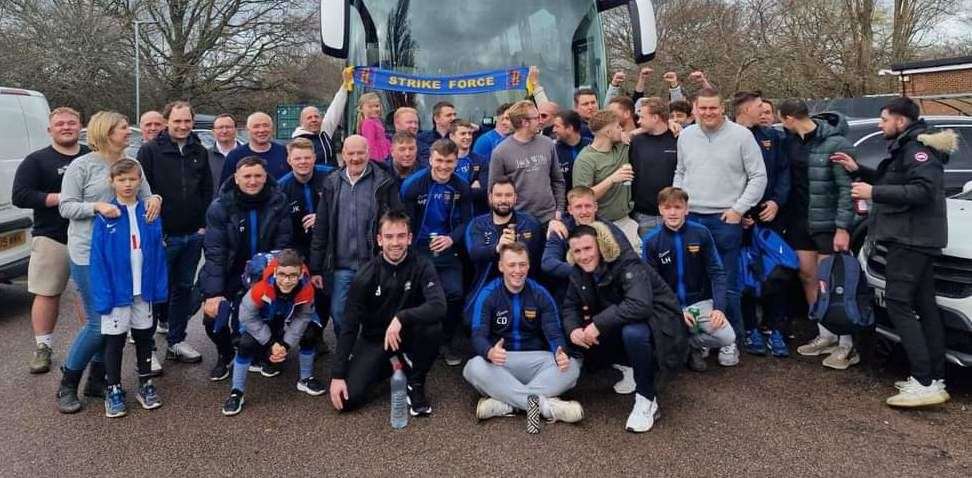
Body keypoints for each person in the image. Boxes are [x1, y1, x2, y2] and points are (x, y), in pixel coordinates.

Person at [831, 97, 955, 407]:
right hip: (912, 237)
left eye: (884, 119)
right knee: (925, 306)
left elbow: (923, 191)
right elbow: (898, 180)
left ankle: (924, 381)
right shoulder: (908, 145)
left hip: (911, 239)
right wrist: (858, 169)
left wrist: (873, 192)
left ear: (900, 121)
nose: (879, 123)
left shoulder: (918, 150)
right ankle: (934, 378)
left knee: (900, 303)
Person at [56, 111, 161, 414]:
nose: (130, 132)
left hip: (125, 259)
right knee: (99, 324)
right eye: (123, 128)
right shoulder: (82, 165)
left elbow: (146, 196)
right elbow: (66, 206)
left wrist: (157, 200)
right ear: (106, 132)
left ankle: (97, 381)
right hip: (90, 254)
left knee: (115, 323)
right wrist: (97, 206)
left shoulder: (134, 164)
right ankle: (67, 384)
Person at [673, 88, 767, 362]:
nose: (708, 113)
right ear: (694, 108)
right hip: (691, 218)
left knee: (726, 284)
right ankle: (704, 339)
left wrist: (739, 209)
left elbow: (758, 177)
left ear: (722, 107)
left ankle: (730, 340)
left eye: (713, 108)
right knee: (696, 283)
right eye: (703, 108)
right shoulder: (687, 135)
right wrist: (679, 204)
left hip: (724, 220)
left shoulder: (741, 136)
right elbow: (681, 171)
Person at [562, 224, 683, 433]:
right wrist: (574, 330)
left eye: (588, 248)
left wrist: (598, 324)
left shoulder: (628, 263)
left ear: (600, 246)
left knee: (632, 332)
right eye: (577, 251)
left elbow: (640, 305)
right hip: (626, 319)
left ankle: (647, 398)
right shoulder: (578, 272)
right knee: (591, 330)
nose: (583, 256)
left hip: (663, 326)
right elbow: (569, 306)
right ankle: (632, 367)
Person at [329, 211, 446, 415]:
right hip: (375, 339)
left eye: (401, 236)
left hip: (409, 334)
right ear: (379, 240)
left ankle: (415, 383)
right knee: (346, 401)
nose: (395, 243)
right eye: (389, 237)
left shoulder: (422, 265)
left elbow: (439, 305)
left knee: (433, 327)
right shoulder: (365, 275)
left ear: (409, 238)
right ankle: (394, 363)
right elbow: (349, 325)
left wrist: (401, 318)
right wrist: (337, 375)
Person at [777, 99, 857, 369]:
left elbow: (847, 190)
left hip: (828, 223)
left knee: (833, 282)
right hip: (800, 221)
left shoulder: (836, 143)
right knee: (808, 276)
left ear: (788, 118)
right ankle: (825, 334)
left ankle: (846, 343)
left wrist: (843, 227)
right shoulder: (791, 141)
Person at [463, 242, 582, 423]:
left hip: (535, 362)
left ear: (528, 265)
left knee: (572, 367)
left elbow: (554, 333)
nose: (518, 270)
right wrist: (490, 352)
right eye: (512, 265)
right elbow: (478, 334)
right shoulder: (488, 293)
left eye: (522, 264)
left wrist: (560, 352)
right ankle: (547, 407)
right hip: (501, 362)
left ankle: (506, 404)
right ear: (501, 266)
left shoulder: (540, 294)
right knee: (474, 367)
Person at [199, 156, 293, 381]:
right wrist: (213, 293)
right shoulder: (220, 206)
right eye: (247, 176)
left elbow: (283, 245)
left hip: (267, 272)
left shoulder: (278, 201)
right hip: (232, 271)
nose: (253, 181)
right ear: (236, 178)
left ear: (265, 177)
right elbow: (215, 252)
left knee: (272, 310)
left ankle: (267, 351)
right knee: (213, 316)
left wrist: (269, 276)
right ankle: (225, 354)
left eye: (258, 176)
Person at [12, 107, 90, 374]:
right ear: (50, 130)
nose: (66, 127)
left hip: (89, 237)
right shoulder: (37, 160)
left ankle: (89, 342)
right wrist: (59, 198)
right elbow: (20, 195)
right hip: (52, 237)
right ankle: (43, 347)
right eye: (60, 124)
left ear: (81, 126)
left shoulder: (92, 156)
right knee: (47, 293)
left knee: (87, 292)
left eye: (71, 122)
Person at [90, 159, 168, 417]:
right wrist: (103, 295)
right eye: (121, 179)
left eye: (132, 179)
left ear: (139, 181)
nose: (127, 184)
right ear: (112, 182)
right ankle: (113, 388)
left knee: (145, 337)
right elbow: (98, 259)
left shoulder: (150, 211)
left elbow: (157, 252)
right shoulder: (106, 215)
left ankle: (145, 383)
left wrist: (158, 286)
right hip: (117, 292)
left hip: (143, 291)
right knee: (115, 341)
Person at [137, 100, 212, 365]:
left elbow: (206, 191)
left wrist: (203, 225)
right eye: (177, 121)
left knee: (182, 289)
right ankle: (148, 351)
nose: (182, 126)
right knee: (155, 292)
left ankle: (176, 340)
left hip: (192, 235)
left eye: (187, 121)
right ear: (167, 121)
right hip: (162, 236)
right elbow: (141, 194)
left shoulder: (199, 151)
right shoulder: (149, 151)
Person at [309, 136, 401, 342]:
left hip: (374, 263)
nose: (356, 158)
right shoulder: (332, 183)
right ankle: (347, 347)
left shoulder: (384, 182)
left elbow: (398, 220)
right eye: (351, 153)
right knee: (339, 311)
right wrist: (316, 268)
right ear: (343, 154)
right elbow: (322, 227)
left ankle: (368, 351)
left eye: (360, 153)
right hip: (341, 266)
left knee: (375, 312)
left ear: (368, 153)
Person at [222, 249, 325, 416]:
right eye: (282, 275)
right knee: (246, 343)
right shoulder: (261, 287)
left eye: (292, 275)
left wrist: (285, 344)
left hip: (290, 313)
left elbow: (304, 317)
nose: (286, 280)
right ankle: (237, 392)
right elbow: (246, 316)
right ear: (275, 272)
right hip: (265, 315)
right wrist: (271, 343)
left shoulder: (306, 288)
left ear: (300, 274)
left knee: (311, 332)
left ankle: (305, 378)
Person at [642, 187, 735, 371]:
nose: (673, 212)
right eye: (667, 207)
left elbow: (717, 272)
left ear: (686, 209)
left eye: (678, 207)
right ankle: (680, 346)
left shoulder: (701, 233)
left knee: (727, 337)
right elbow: (650, 283)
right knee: (654, 344)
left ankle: (692, 344)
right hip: (669, 306)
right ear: (660, 210)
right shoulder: (651, 240)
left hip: (699, 303)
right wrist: (676, 310)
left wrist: (719, 308)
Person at [400, 139, 472, 366]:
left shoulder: (461, 186)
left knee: (454, 293)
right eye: (439, 161)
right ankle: (414, 342)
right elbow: (405, 223)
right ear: (430, 159)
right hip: (419, 250)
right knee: (415, 295)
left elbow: (468, 222)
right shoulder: (412, 185)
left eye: (449, 162)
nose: (443, 166)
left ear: (456, 161)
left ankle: (445, 341)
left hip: (448, 248)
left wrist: (451, 238)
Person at [731, 91, 791, 357]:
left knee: (776, 275)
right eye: (758, 107)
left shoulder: (772, 137)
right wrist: (738, 209)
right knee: (744, 276)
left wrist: (777, 202)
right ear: (745, 110)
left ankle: (776, 329)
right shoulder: (727, 136)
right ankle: (751, 329)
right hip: (738, 219)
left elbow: (782, 173)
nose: (765, 111)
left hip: (770, 218)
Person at [278, 138, 336, 342]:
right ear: (289, 160)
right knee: (304, 294)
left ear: (314, 158)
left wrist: (322, 218)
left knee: (326, 294)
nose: (303, 162)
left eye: (307, 157)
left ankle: (318, 334)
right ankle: (306, 335)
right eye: (298, 158)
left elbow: (345, 208)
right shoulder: (282, 188)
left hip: (330, 247)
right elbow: (281, 227)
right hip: (300, 249)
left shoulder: (330, 177)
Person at [488, 100, 566, 230]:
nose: (540, 121)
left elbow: (558, 180)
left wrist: (559, 210)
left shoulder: (547, 144)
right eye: (536, 117)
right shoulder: (500, 152)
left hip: (549, 218)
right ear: (524, 122)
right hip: (519, 221)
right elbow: (493, 191)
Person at [464, 178, 544, 304]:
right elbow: (474, 253)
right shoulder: (477, 224)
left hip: (525, 287)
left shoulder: (530, 223)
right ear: (490, 197)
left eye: (508, 195)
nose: (503, 200)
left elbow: (539, 260)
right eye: (498, 195)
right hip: (485, 287)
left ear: (515, 198)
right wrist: (497, 248)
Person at [572, 109, 640, 249]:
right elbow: (582, 198)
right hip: (599, 225)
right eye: (617, 127)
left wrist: (670, 123)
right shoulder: (585, 159)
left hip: (625, 220)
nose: (621, 129)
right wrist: (612, 179)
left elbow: (641, 130)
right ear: (608, 133)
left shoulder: (621, 146)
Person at [629, 97, 678, 237]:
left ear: (655, 117)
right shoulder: (636, 141)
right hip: (644, 215)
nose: (638, 121)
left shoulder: (678, 138)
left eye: (642, 117)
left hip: (674, 213)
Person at [290, 68, 353, 167]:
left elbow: (335, 108)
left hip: (333, 179)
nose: (314, 120)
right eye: (309, 118)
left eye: (316, 116)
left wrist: (345, 85)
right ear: (301, 123)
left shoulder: (324, 131)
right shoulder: (298, 141)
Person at [220, 112, 290, 183]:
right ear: (247, 130)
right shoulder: (235, 156)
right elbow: (225, 189)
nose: (262, 130)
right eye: (256, 126)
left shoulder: (284, 152)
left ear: (272, 128)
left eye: (266, 125)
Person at [450, 119, 489, 215]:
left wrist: (457, 193)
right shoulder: (446, 161)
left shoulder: (481, 161)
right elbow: (446, 190)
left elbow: (484, 191)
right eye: (463, 134)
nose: (467, 137)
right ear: (452, 136)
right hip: (450, 215)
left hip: (475, 214)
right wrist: (471, 188)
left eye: (470, 134)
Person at [551, 110, 591, 192]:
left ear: (569, 128)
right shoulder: (553, 150)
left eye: (557, 126)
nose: (553, 130)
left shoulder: (591, 146)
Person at [357, 92, 392, 162]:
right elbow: (370, 144)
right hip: (377, 159)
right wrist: (373, 162)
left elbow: (382, 137)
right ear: (361, 109)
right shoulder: (368, 123)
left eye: (377, 106)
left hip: (385, 155)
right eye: (370, 107)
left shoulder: (377, 121)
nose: (375, 109)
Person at [209, 114, 240, 193]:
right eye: (220, 127)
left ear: (236, 130)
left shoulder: (247, 155)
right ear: (213, 131)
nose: (224, 131)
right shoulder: (205, 156)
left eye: (228, 127)